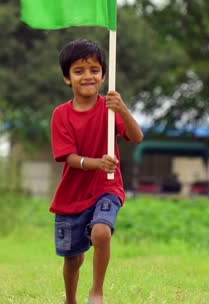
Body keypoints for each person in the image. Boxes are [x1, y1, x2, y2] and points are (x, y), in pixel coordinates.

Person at [50, 38, 144, 304]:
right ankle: (71, 299)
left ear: (104, 75)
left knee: (101, 231)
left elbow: (136, 138)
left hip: (107, 187)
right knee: (73, 258)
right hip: (72, 195)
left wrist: (122, 109)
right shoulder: (61, 114)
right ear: (67, 78)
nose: (87, 76)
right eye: (79, 71)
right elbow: (68, 158)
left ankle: (97, 291)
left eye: (94, 70)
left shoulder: (110, 109)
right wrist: (97, 162)